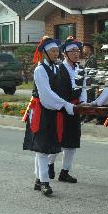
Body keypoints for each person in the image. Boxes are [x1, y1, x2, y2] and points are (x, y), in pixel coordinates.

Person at [23, 37, 77, 196]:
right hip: (42, 110)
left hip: (51, 110)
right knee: (42, 148)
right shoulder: (40, 70)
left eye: (56, 51)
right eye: (52, 51)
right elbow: (46, 95)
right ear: (44, 52)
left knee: (45, 146)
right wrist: (65, 104)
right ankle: (44, 182)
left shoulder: (56, 68)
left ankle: (39, 179)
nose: (56, 53)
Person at [47, 38, 87, 183]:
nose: (76, 54)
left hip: (75, 109)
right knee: (58, 141)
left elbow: (83, 88)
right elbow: (53, 91)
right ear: (65, 53)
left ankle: (65, 171)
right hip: (61, 109)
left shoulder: (81, 69)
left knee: (72, 142)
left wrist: (83, 103)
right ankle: (49, 164)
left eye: (77, 51)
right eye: (73, 51)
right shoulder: (58, 69)